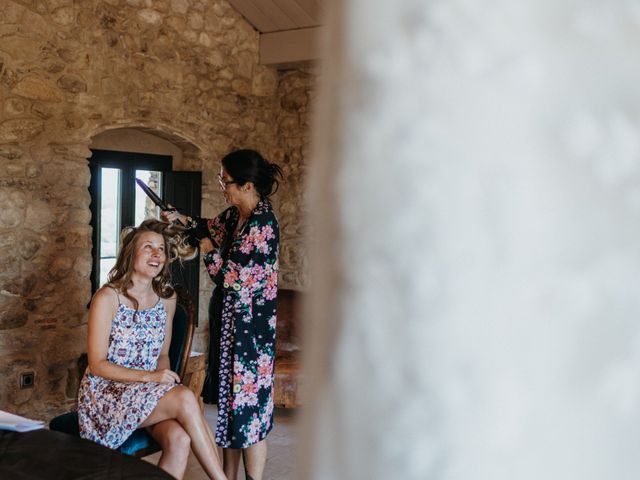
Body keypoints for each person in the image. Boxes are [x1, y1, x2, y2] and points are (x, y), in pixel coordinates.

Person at [163, 149, 282, 480]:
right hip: (229, 329)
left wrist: (207, 249)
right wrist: (179, 218)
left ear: (246, 185)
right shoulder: (235, 216)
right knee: (230, 413)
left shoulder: (262, 224)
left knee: (251, 417)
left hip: (252, 338)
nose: (221, 186)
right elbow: (207, 226)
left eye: (225, 181)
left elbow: (230, 278)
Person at [77, 219, 227, 480]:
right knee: (184, 398)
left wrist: (158, 384)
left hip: (145, 392)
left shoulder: (167, 300)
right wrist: (152, 379)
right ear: (130, 254)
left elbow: (162, 356)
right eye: (148, 247)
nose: (157, 254)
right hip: (107, 395)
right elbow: (98, 364)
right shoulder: (107, 297)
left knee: (179, 438)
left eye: (161, 248)